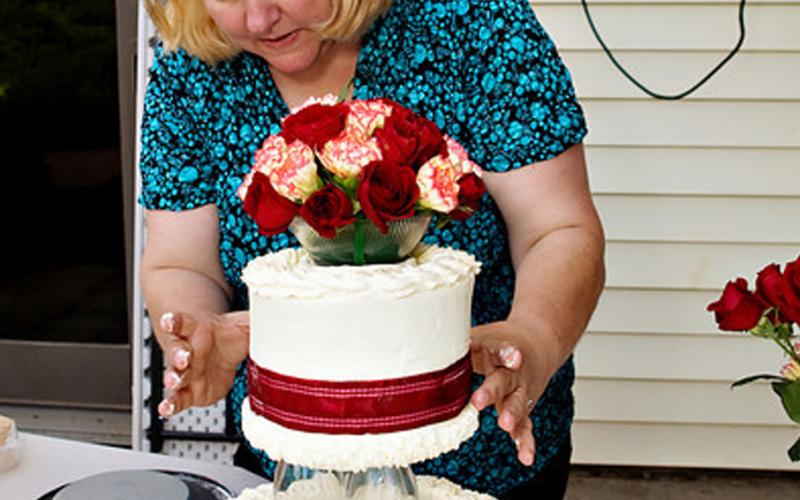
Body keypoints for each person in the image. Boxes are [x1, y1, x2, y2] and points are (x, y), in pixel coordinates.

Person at [139, 0, 605, 498]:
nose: (256, 18)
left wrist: (532, 338)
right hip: (293, 465)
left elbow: (557, 229)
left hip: (490, 459)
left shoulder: (475, 22)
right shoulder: (188, 75)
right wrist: (194, 332)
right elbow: (181, 262)